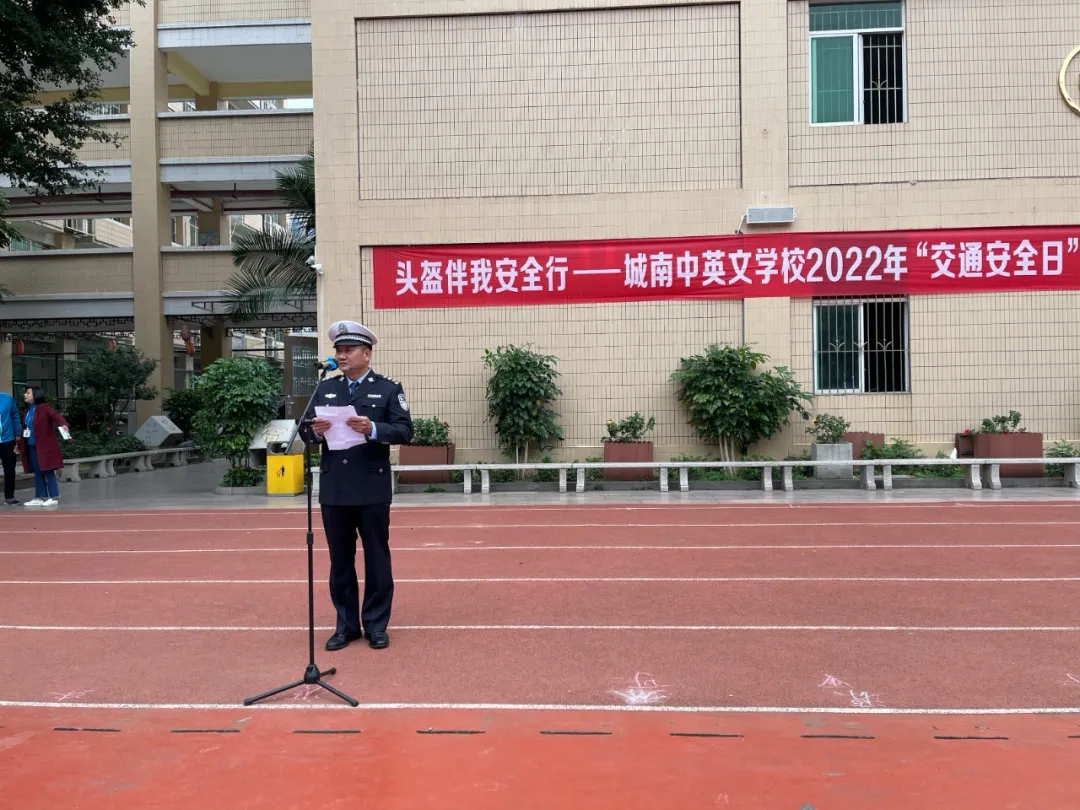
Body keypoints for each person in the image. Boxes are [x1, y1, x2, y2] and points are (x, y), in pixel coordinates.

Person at [300, 320, 413, 651]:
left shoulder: (388, 389)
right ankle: (346, 626)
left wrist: (373, 428)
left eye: (349, 350)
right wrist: (314, 432)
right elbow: (304, 429)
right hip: (335, 487)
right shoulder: (325, 388)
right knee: (340, 560)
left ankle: (376, 625)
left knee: (376, 558)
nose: (342, 356)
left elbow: (405, 431)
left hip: (370, 486)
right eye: (339, 350)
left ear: (367, 353)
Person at [18, 386, 72, 508]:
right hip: (31, 445)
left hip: (44, 446)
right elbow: (25, 429)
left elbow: (57, 417)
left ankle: (54, 496)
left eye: (28, 393)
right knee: (37, 471)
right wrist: (19, 444)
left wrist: (64, 425)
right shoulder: (28, 411)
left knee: (48, 470)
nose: (25, 395)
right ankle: (39, 496)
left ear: (35, 395)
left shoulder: (44, 408)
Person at [0, 388, 21, 505]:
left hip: (7, 439)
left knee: (9, 470)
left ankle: (10, 497)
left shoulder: (7, 399)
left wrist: (18, 433)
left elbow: (15, 415)